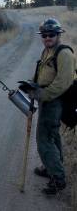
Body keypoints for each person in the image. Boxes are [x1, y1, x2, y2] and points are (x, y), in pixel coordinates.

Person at [28, 18, 76, 195]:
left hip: (55, 101)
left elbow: (63, 83)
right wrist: (32, 85)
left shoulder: (64, 54)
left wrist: (42, 94)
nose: (47, 37)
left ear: (58, 35)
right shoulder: (47, 51)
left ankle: (58, 178)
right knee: (53, 136)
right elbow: (42, 73)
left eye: (51, 34)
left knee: (44, 140)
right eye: (44, 35)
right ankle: (52, 168)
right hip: (47, 99)